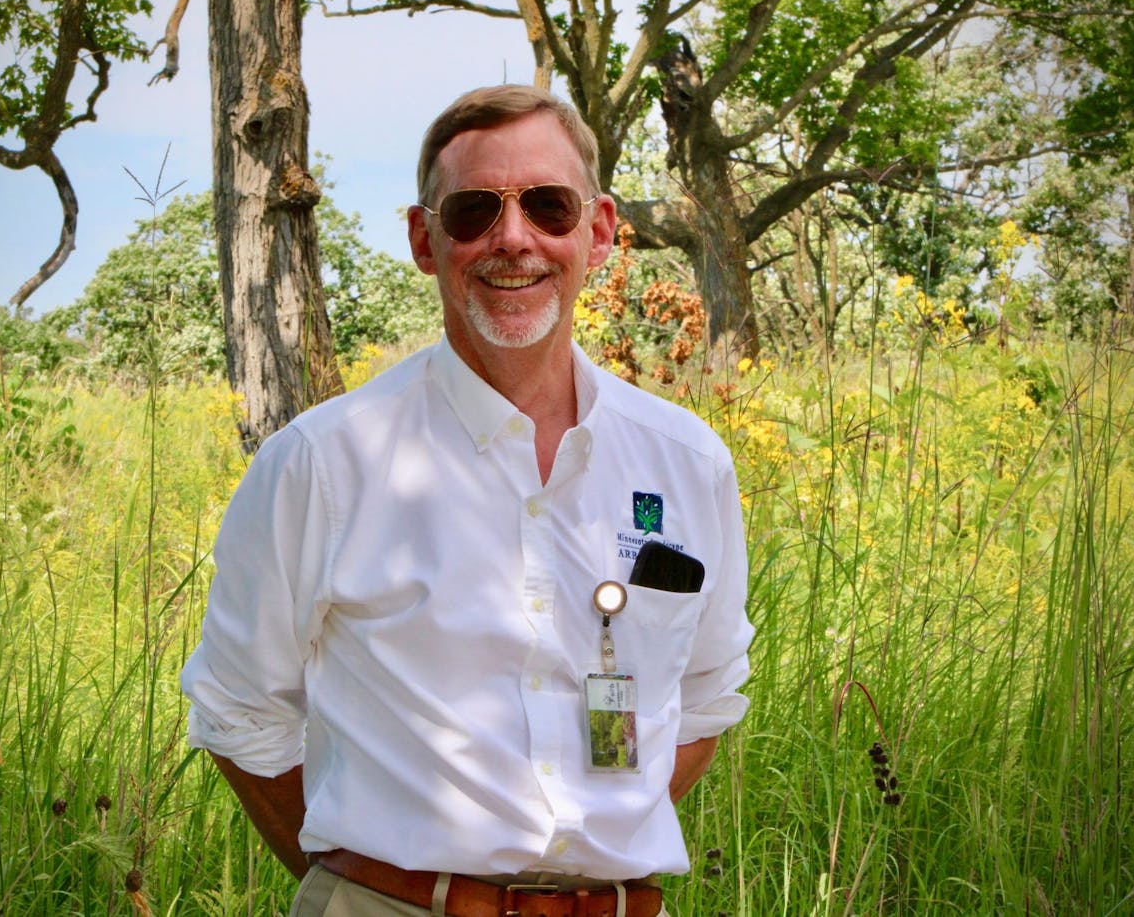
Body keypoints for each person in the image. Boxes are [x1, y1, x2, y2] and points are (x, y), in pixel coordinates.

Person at [180, 84, 753, 917]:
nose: (512, 238)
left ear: (597, 231)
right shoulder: (322, 464)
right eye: (474, 211)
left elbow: (704, 697)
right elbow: (240, 712)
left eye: (549, 207)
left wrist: (592, 843)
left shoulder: (687, 462)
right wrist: (381, 883)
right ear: (424, 238)